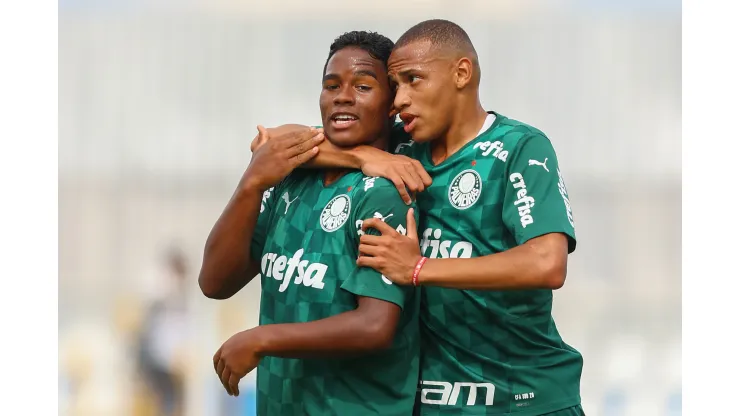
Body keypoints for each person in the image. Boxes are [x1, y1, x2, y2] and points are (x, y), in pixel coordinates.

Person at [262, 19, 584, 416]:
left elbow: (547, 263)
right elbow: (271, 141)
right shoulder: (406, 148)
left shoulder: (518, 147)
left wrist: (418, 268)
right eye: (395, 86)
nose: (399, 100)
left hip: (522, 399)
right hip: (431, 404)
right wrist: (363, 155)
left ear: (461, 73)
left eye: (414, 80)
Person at [198, 31, 420, 416]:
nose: (342, 96)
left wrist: (263, 339)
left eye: (363, 86)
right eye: (331, 85)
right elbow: (215, 282)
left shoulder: (384, 193)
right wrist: (252, 183)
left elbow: (374, 325)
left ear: (390, 105)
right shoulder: (292, 179)